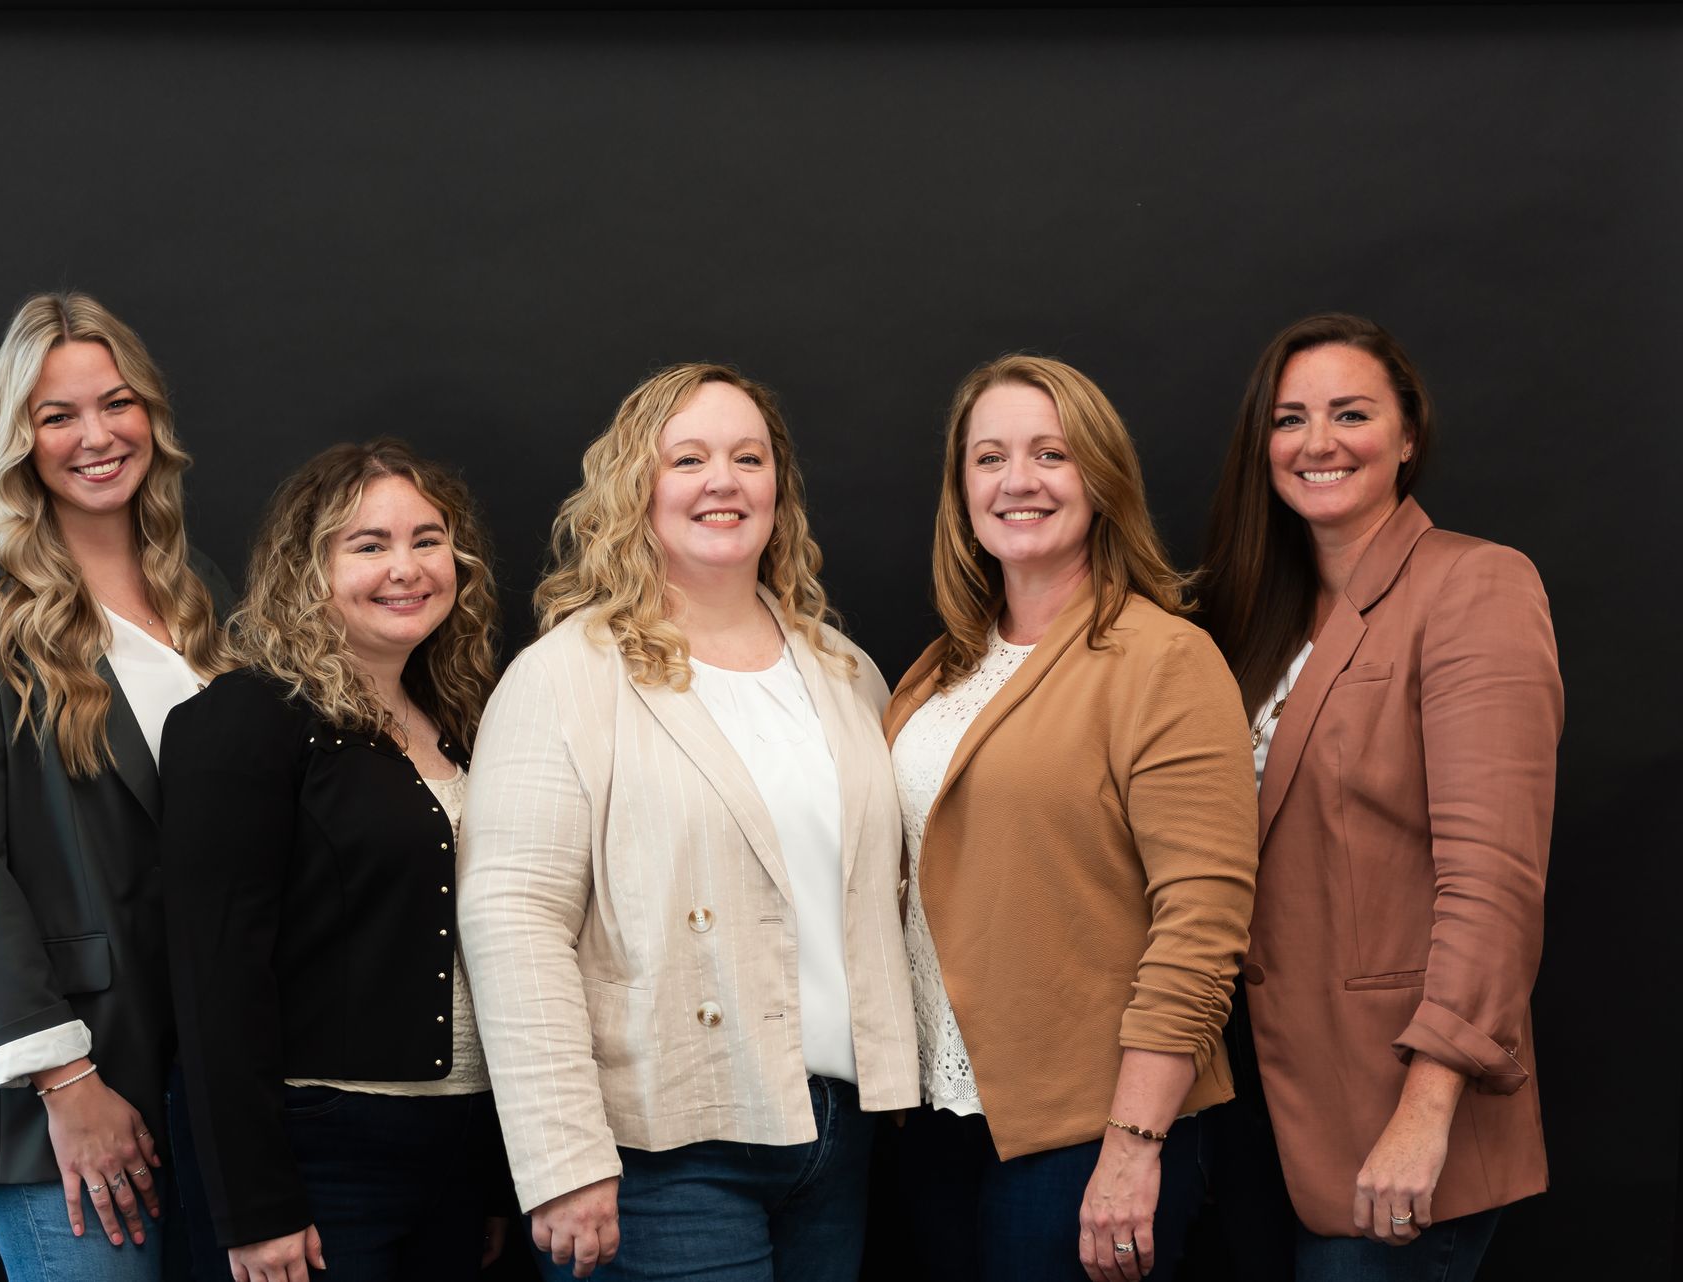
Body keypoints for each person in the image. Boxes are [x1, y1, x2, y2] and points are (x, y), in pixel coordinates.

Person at [458, 363, 919, 1281]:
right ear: (637, 486)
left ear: (778, 487)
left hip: (839, 1132)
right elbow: (513, 920)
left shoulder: (845, 673)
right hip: (655, 1155)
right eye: (690, 459)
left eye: (749, 458)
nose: (724, 482)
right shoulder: (564, 679)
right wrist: (563, 1158)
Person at [1195, 313, 1561, 1280]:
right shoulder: (1254, 618)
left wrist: (1426, 1109)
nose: (1317, 442)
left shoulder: (1475, 586)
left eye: (1350, 414)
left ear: (1407, 437)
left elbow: (1494, 885)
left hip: (1395, 1115)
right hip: (1260, 1114)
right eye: (1290, 419)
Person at [885, 355, 1257, 1282]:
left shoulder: (1163, 659)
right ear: (961, 490)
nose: (1019, 481)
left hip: (1088, 1130)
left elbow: (1202, 922)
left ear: (1102, 478)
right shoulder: (941, 668)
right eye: (990, 458)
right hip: (938, 1119)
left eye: (1051, 454)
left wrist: (1134, 1143)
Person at [0, 292, 231, 1280]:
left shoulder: (201, 594)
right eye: (57, 415)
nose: (97, 436)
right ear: (18, 438)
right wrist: (66, 1080)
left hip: (203, 1069)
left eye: (116, 403)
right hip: (61, 1081)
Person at [160, 439, 512, 1282]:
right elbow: (214, 977)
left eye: (428, 540)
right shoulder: (246, 719)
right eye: (368, 544)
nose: (406, 567)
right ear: (307, 568)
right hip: (319, 1154)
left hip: (463, 1147)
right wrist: (254, 1206)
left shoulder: (467, 721)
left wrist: (499, 1177)